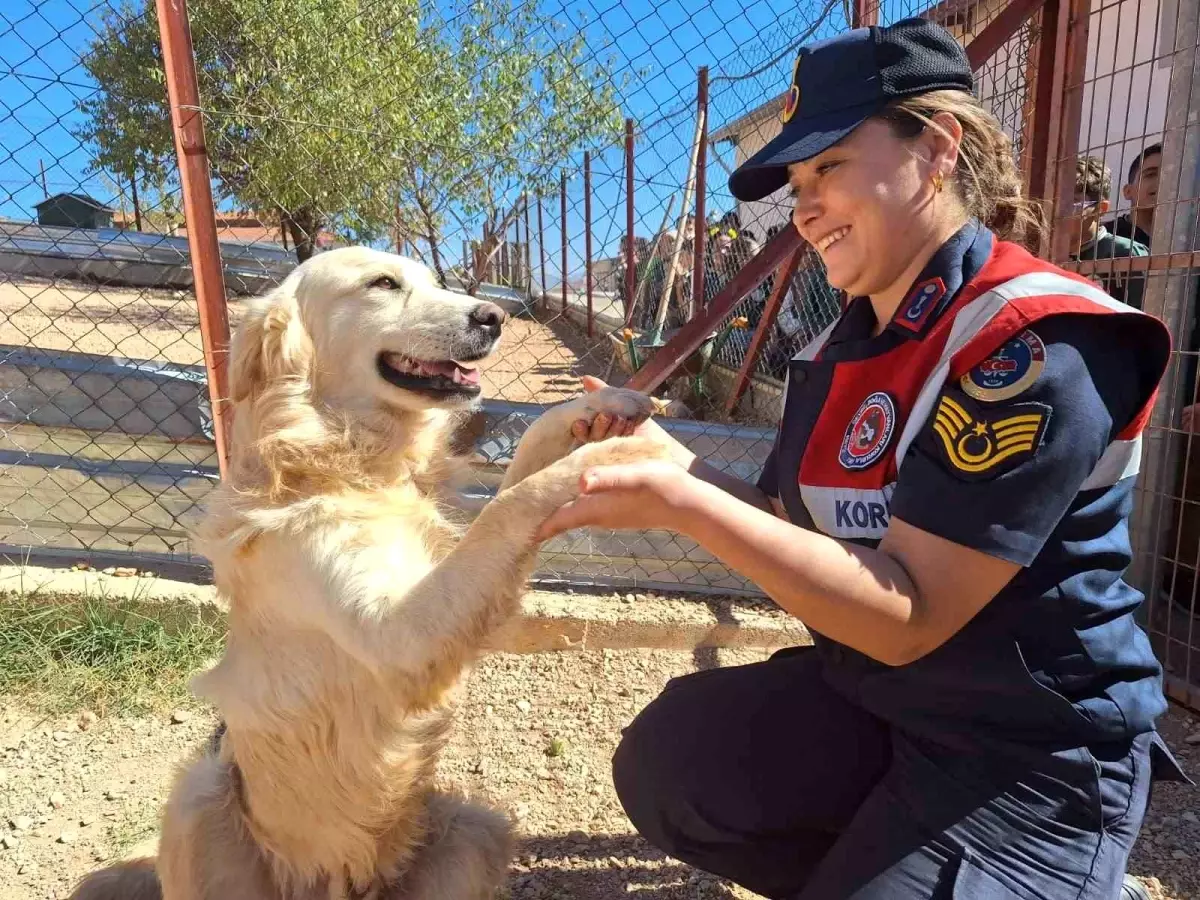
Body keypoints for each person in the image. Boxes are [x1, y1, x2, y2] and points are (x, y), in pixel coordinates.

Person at [537, 18, 1189, 900]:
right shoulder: (849, 341)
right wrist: (675, 462)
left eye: (830, 167)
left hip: (1026, 752)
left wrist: (680, 504)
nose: (803, 207)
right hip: (882, 703)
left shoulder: (1033, 340)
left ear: (937, 149)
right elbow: (790, 528)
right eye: (796, 182)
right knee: (676, 763)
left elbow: (907, 613)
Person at [1067, 154, 1149, 308]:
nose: (1059, 212)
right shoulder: (1044, 252)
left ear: (1100, 209)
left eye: (1072, 203)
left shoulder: (1126, 252)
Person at [1106, 142, 1160, 249]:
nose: (1163, 180)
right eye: (1151, 174)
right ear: (1128, 191)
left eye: (1172, 174)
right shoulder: (1106, 238)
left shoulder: (1192, 239)